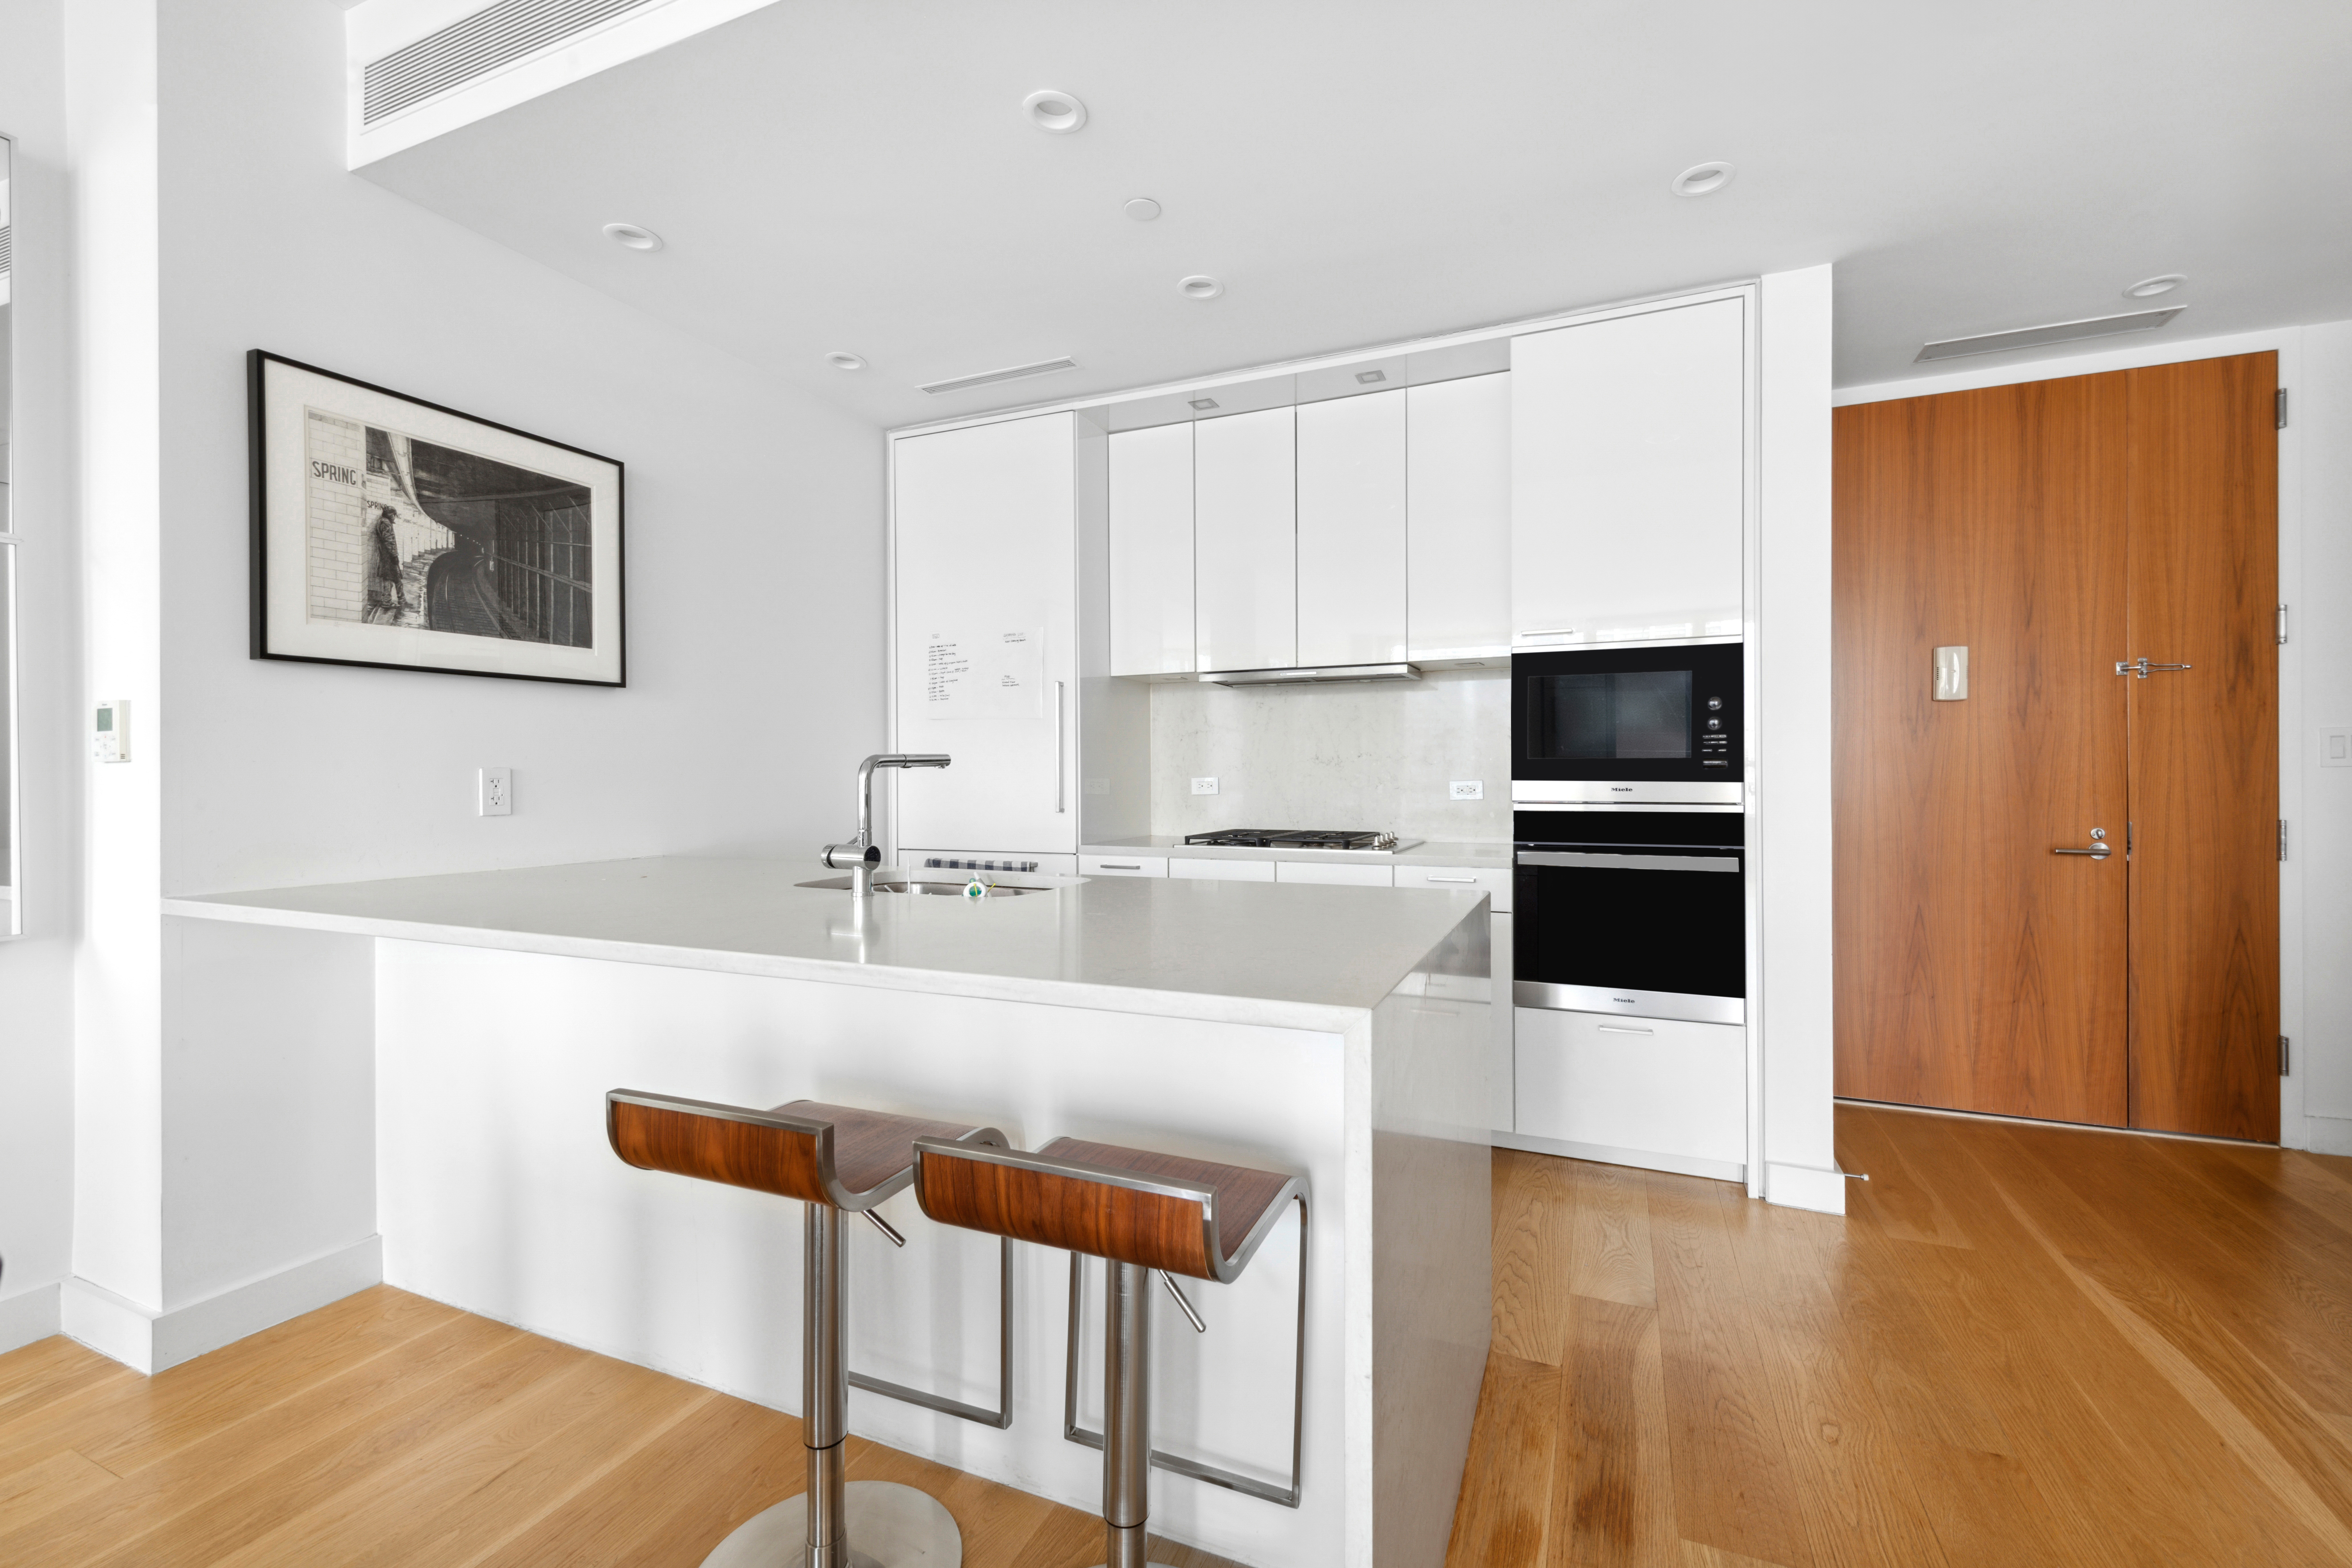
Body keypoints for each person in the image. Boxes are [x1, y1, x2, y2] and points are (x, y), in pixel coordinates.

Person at [363, 505, 405, 623]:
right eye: (394, 515)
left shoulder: (383, 522)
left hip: (386, 556)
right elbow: (389, 541)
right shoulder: (386, 523)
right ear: (391, 515)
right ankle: (388, 602)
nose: (395, 518)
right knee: (390, 579)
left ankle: (399, 600)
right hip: (388, 557)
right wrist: (395, 555)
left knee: (394, 578)